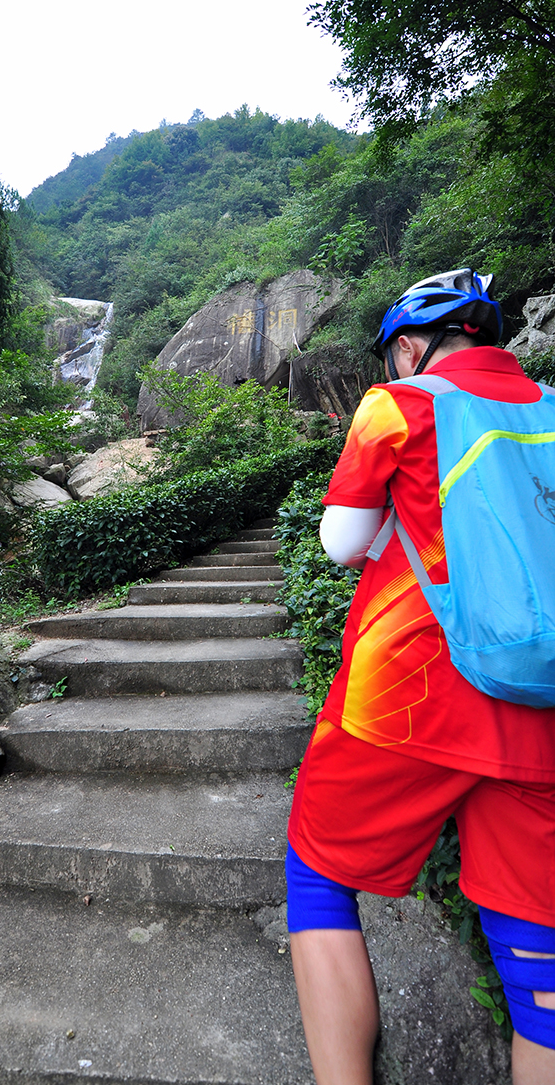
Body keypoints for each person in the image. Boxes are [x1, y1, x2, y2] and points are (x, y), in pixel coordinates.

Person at [285, 268, 555, 1085]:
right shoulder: (548, 409)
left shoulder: (398, 403)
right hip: (539, 709)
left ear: (409, 345)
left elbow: (337, 543)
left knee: (317, 869)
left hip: (407, 702)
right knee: (540, 960)